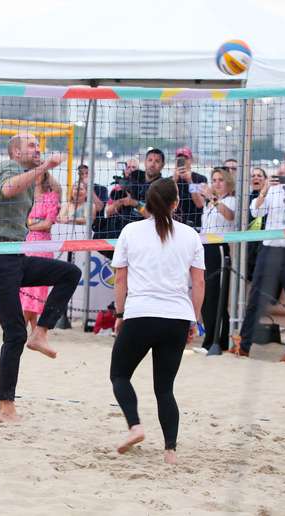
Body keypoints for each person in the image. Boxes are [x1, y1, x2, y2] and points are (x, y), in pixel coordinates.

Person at [0, 133, 82, 422]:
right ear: (15, 151)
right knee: (13, 334)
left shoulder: (28, 176)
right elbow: (9, 189)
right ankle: (5, 407)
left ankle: (40, 333)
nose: (38, 150)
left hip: (14, 257)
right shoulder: (8, 168)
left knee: (69, 273)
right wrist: (44, 166)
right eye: (32, 146)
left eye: (39, 146)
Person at [110, 177, 205, 465]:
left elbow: (120, 279)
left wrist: (119, 314)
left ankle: (136, 426)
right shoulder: (190, 235)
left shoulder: (131, 230)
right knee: (164, 389)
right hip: (176, 317)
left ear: (147, 204)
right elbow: (198, 283)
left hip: (141, 313)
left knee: (119, 375)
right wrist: (194, 319)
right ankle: (170, 451)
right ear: (176, 203)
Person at [231, 150, 285, 363]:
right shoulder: (273, 189)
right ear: (283, 166)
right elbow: (256, 212)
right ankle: (243, 346)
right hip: (270, 248)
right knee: (255, 299)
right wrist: (264, 190)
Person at [198, 168, 237, 352]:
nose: (217, 183)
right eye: (214, 180)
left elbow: (229, 216)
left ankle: (218, 341)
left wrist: (212, 198)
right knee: (206, 298)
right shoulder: (209, 203)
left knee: (217, 296)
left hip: (219, 249)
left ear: (228, 183)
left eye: (221, 180)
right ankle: (210, 338)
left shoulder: (231, 200)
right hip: (205, 248)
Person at [19, 170, 61, 330]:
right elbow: (21, 221)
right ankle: (35, 329)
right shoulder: (24, 197)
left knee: (37, 289)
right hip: (26, 244)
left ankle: (25, 327)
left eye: (39, 172)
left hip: (42, 246)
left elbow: (47, 224)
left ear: (45, 175)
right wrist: (34, 224)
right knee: (25, 288)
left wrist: (30, 225)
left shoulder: (52, 196)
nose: (36, 176)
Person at [172, 147, 207, 231]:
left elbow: (199, 204)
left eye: (186, 158)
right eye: (180, 158)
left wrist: (190, 181)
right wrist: (174, 180)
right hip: (175, 224)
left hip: (195, 223)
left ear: (191, 160)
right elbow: (165, 201)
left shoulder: (200, 179)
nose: (182, 160)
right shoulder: (170, 180)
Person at [246, 167, 268, 281]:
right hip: (249, 245)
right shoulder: (245, 199)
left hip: (265, 244)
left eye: (259, 176)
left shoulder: (270, 197)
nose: (256, 178)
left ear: (266, 180)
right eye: (253, 176)